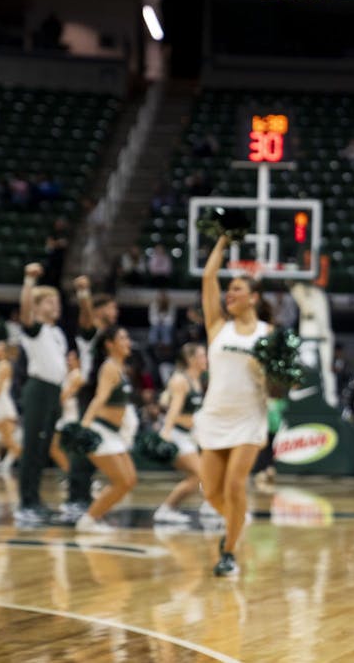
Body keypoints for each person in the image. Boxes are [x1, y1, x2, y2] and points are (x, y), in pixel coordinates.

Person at [195, 235, 272, 576]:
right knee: (211, 492)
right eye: (230, 290)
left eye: (238, 289)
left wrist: (269, 375)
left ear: (254, 297)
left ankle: (228, 552)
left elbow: (281, 386)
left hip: (249, 417)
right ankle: (236, 525)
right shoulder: (217, 327)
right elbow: (208, 277)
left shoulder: (269, 335)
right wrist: (223, 240)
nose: (230, 294)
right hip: (215, 415)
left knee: (234, 486)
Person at [60, 279, 119, 523]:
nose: (116, 312)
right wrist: (84, 292)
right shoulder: (91, 331)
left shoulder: (107, 336)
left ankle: (83, 496)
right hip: (87, 394)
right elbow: (85, 316)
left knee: (93, 449)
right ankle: (75, 499)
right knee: (82, 450)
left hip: (101, 395)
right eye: (112, 307)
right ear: (100, 310)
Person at [15, 262, 68, 526]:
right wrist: (29, 282)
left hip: (54, 392)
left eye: (56, 301)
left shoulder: (57, 333)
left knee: (42, 450)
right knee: (31, 448)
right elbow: (24, 314)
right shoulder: (33, 329)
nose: (54, 305)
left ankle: (35, 499)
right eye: (48, 301)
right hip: (37, 390)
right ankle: (25, 504)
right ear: (36, 307)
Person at [75, 326, 138, 532]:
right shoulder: (109, 367)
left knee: (130, 481)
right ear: (109, 344)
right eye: (122, 338)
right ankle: (88, 520)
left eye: (127, 337)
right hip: (101, 431)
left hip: (114, 433)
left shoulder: (121, 368)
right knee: (121, 481)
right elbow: (99, 398)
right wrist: (83, 428)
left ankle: (94, 517)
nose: (127, 341)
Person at [154, 343, 206, 524]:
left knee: (199, 475)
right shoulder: (180, 380)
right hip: (177, 435)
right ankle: (166, 509)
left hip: (190, 435)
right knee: (199, 475)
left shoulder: (196, 379)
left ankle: (171, 508)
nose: (205, 359)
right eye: (201, 356)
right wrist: (165, 434)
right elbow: (174, 410)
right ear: (191, 359)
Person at [0, 341, 21, 473]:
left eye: (0, 348)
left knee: (8, 441)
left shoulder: (5, 366)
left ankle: (23, 463)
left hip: (2, 405)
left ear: (5, 352)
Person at [50, 350, 83, 475]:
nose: (68, 361)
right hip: (64, 416)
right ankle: (71, 475)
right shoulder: (68, 375)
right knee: (54, 447)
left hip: (72, 416)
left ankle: (80, 478)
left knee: (72, 450)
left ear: (78, 361)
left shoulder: (77, 375)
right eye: (67, 358)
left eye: (72, 359)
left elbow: (63, 397)